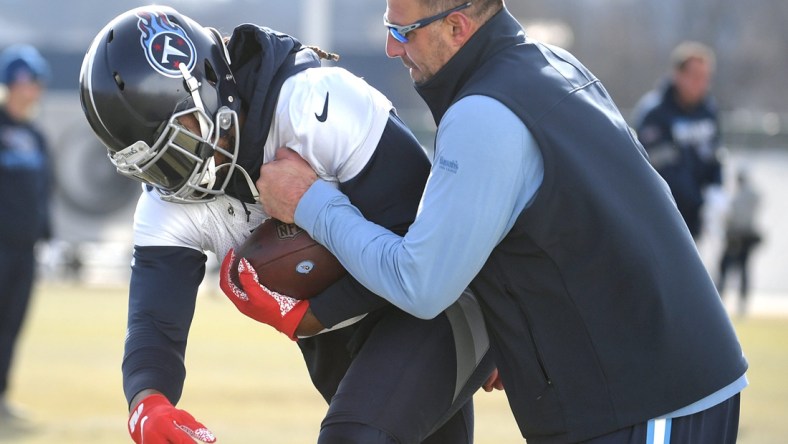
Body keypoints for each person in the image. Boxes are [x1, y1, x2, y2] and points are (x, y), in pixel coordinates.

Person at [251, 1, 749, 443]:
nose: (389, 47)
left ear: (457, 27)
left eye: (403, 32)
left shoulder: (483, 112)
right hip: (654, 387)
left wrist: (310, 202)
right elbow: (574, 226)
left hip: (653, 397)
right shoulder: (553, 63)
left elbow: (419, 283)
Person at [79, 5, 494, 444]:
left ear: (209, 85)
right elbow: (154, 323)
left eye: (178, 142)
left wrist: (309, 315)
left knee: (352, 437)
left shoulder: (315, 106)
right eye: (153, 166)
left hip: (439, 306)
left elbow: (426, 240)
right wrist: (149, 403)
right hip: (340, 342)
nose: (173, 176)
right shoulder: (166, 199)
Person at [0, 44, 52, 422]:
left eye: (36, 84)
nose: (31, 91)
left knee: (11, 326)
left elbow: (42, 192)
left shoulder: (36, 137)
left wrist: (45, 235)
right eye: (26, 83)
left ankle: (1, 398)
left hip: (24, 251)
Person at [632, 41, 723, 240]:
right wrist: (700, 202)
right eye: (695, 76)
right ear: (678, 75)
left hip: (697, 217)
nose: (701, 83)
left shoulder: (708, 111)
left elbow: (714, 154)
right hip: (663, 217)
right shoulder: (655, 113)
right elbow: (660, 167)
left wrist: (717, 188)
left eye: (705, 77)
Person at [716, 166, 762, 316]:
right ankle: (735, 301)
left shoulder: (741, 196)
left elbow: (732, 216)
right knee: (739, 269)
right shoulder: (748, 195)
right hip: (742, 236)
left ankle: (726, 299)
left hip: (737, 237)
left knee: (729, 268)